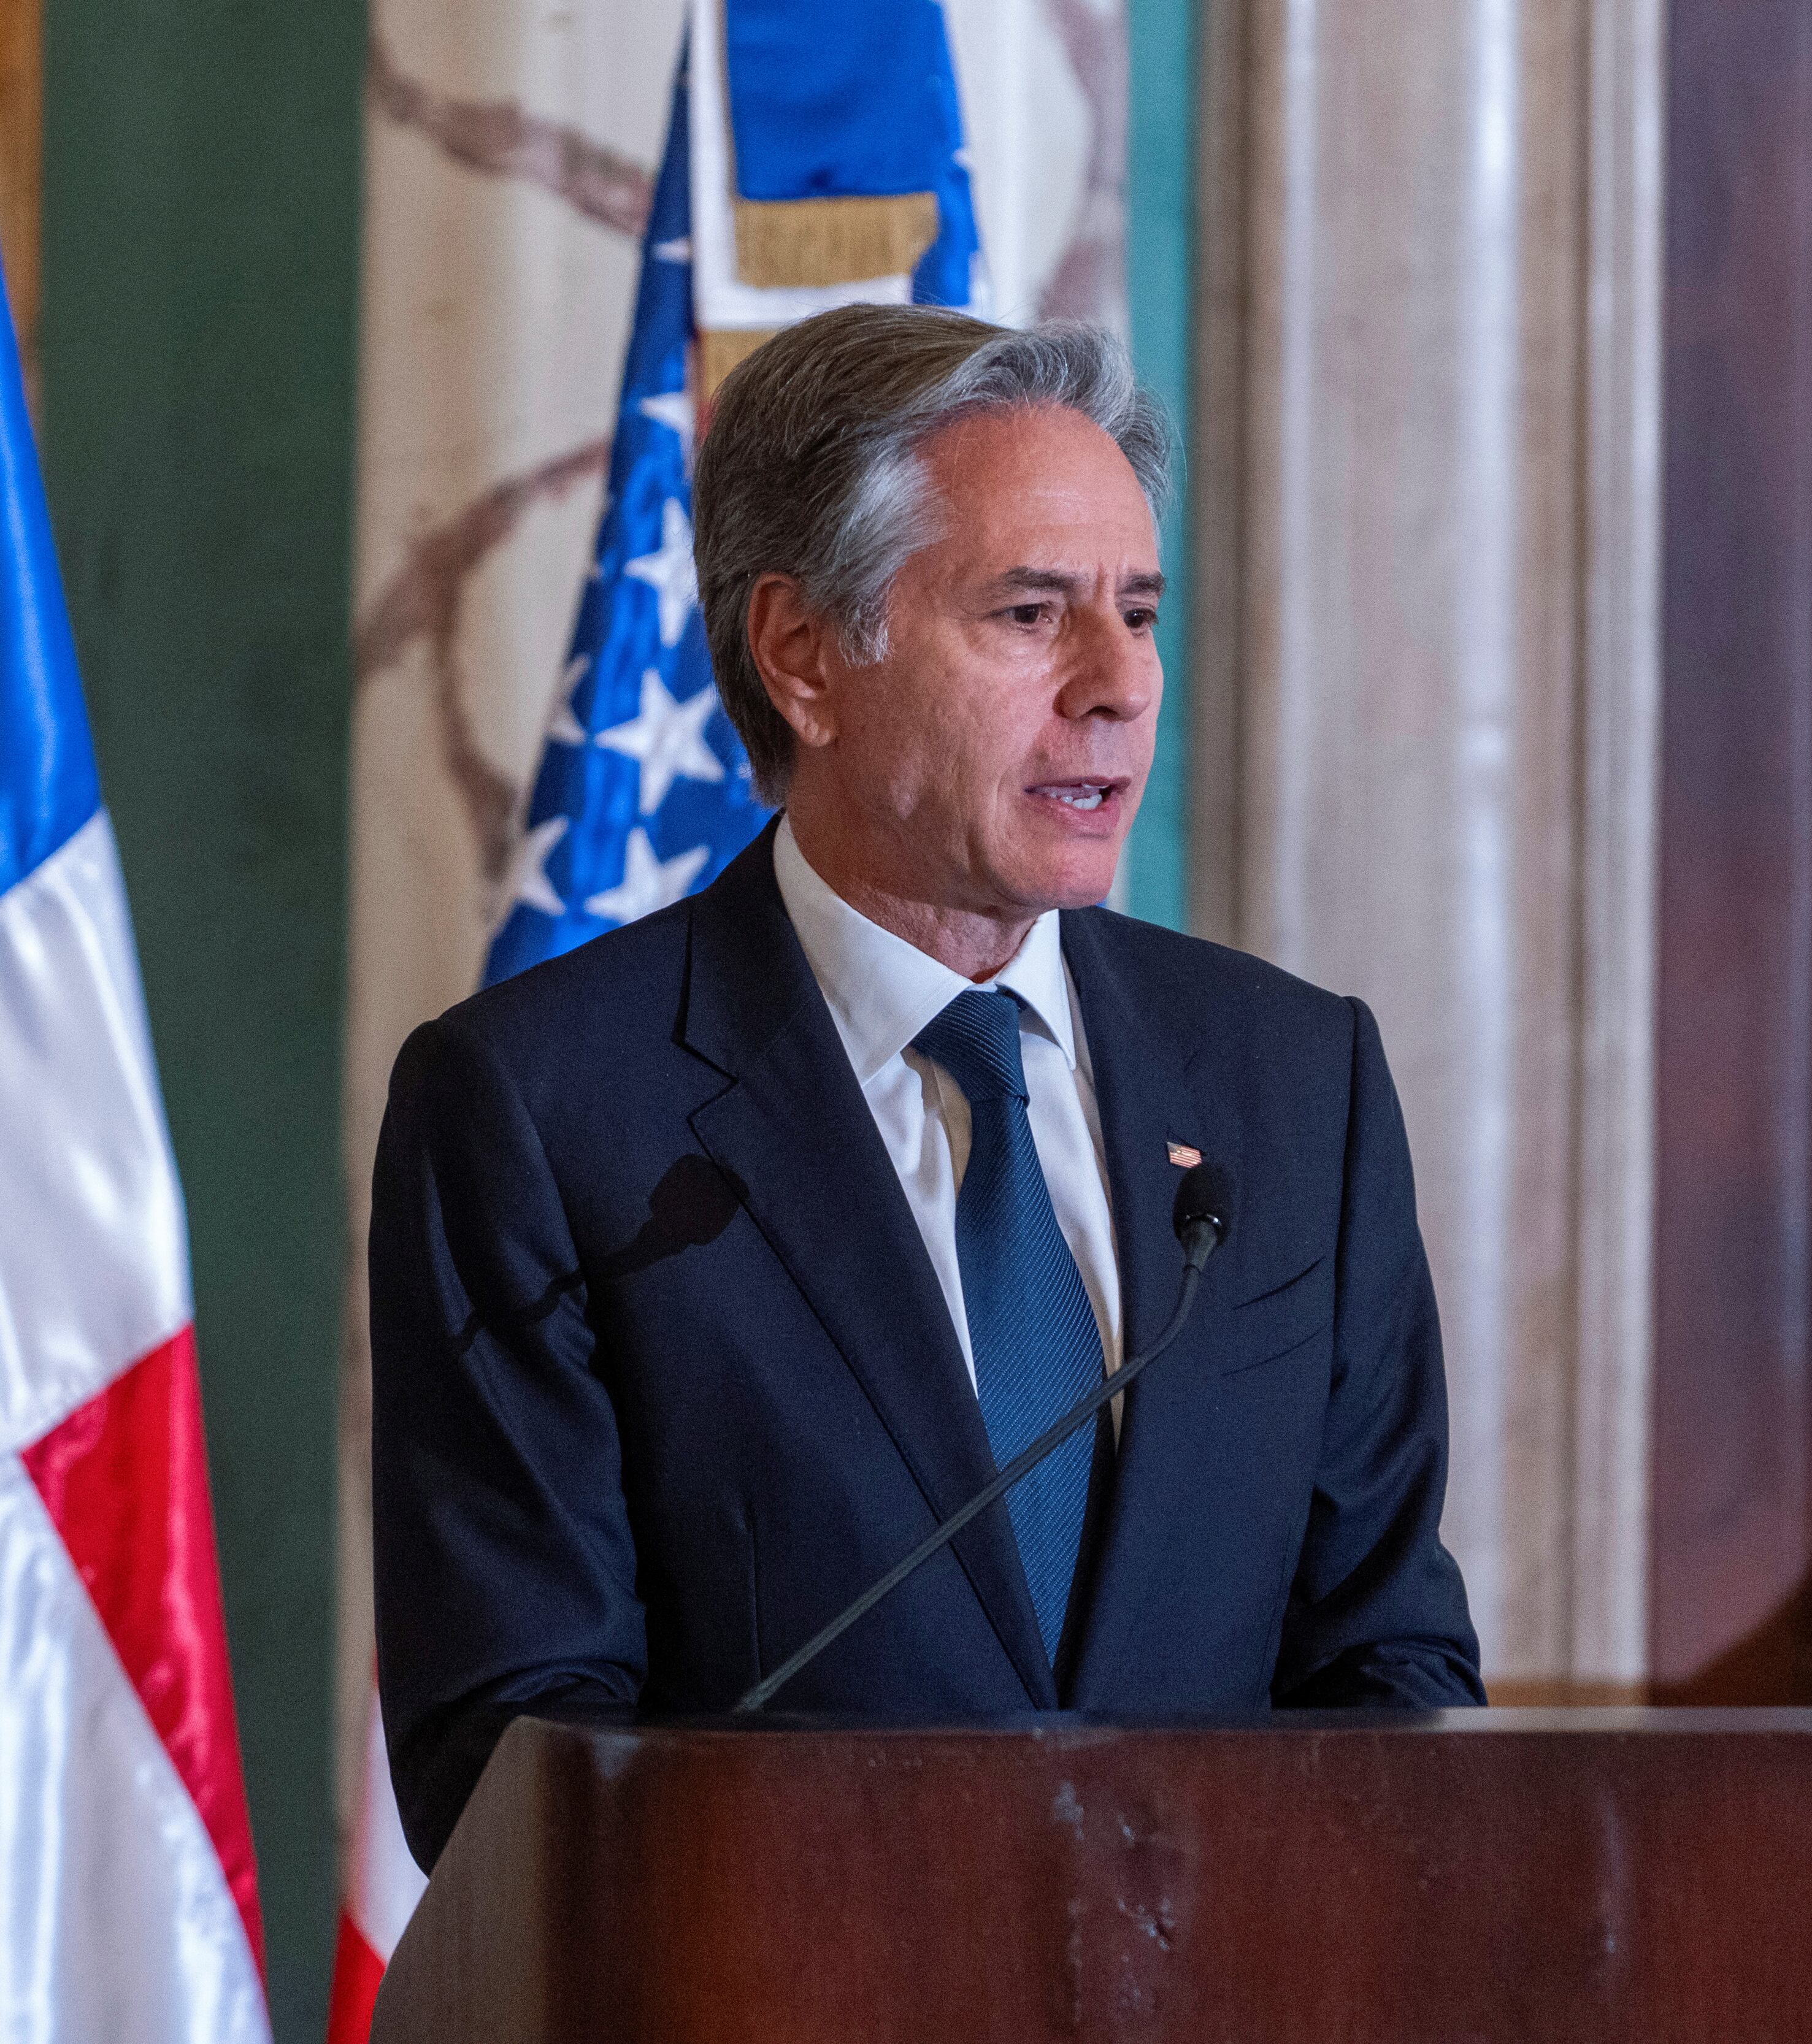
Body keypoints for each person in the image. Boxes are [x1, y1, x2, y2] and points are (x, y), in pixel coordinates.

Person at [367, 307, 1483, 1869]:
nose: (1116, 685)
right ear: (805, 655)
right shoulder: (546, 1110)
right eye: (1030, 614)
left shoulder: (1296, 1086)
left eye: (1139, 613)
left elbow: (1391, 1671)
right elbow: (508, 1758)